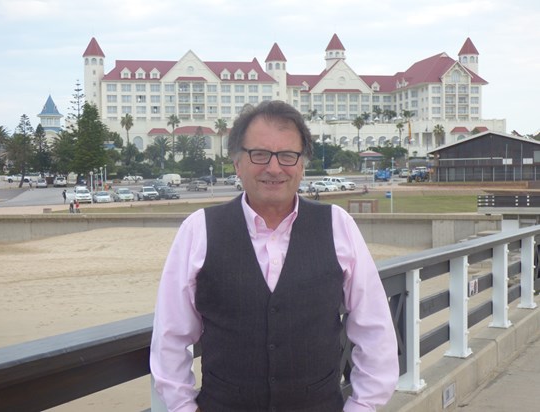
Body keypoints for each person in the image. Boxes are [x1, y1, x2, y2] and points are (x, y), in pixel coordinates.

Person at [150, 101, 399, 412]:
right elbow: (170, 336)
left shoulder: (338, 225)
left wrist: (362, 405)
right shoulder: (198, 229)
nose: (274, 167)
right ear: (237, 162)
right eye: (259, 154)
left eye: (287, 155)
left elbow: (374, 327)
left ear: (302, 163)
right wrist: (183, 407)